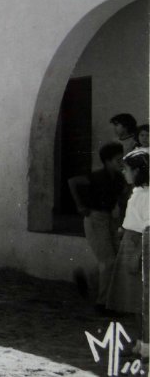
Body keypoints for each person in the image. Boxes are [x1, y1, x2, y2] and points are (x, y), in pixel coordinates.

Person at [69, 142, 126, 311]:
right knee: (108, 261)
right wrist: (79, 205)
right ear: (107, 161)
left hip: (110, 219)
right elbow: (73, 182)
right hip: (95, 218)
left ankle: (88, 279)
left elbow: (122, 199)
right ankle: (103, 303)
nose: (121, 162)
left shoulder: (118, 178)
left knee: (116, 261)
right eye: (118, 159)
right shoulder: (97, 176)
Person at [106, 149, 149, 358]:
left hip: (140, 245)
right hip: (130, 241)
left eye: (127, 169)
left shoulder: (148, 195)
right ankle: (141, 342)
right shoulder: (137, 192)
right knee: (134, 300)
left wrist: (139, 255)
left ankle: (147, 345)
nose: (124, 173)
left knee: (143, 300)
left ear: (138, 171)